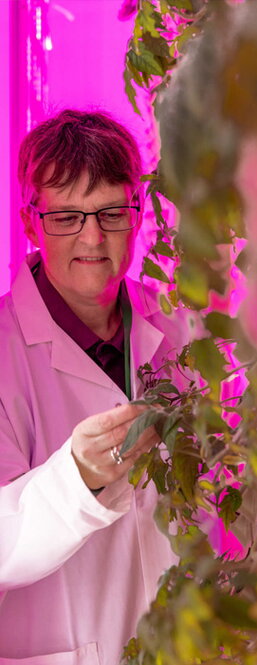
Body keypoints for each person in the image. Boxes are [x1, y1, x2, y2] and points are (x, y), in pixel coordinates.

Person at [0, 110, 188, 664]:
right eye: (66, 216)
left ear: (137, 215)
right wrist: (74, 479)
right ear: (31, 222)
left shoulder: (178, 328)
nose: (93, 236)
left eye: (111, 211)